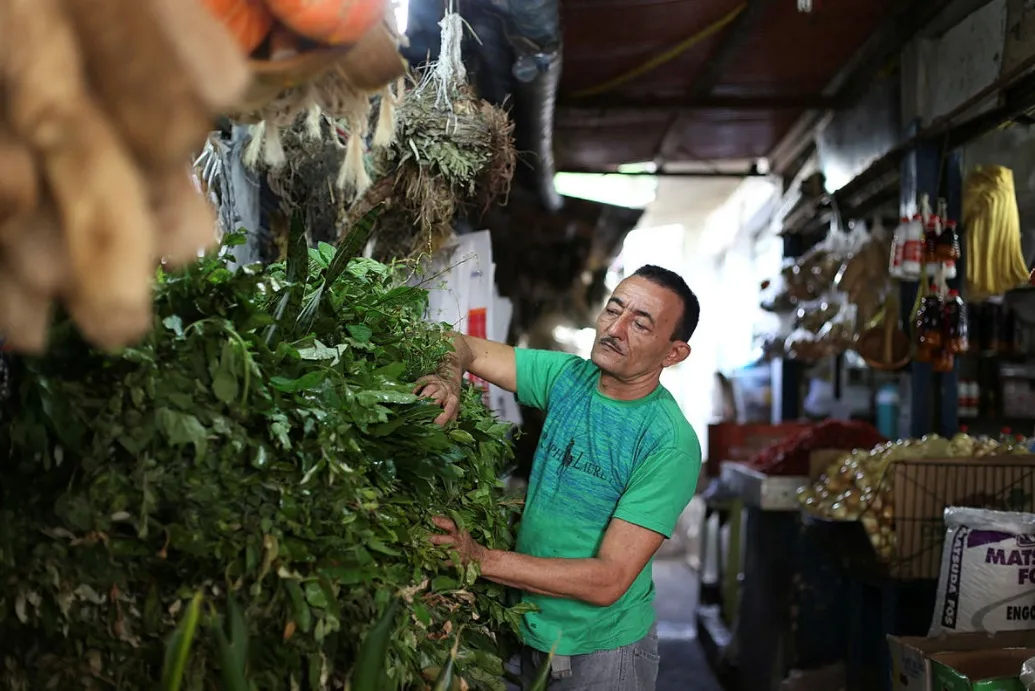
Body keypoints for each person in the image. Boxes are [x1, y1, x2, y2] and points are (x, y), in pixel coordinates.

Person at [415, 264, 703, 691]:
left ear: (673, 353)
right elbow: (457, 343)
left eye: (640, 324)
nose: (615, 329)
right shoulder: (570, 378)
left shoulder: (668, 443)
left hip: (602, 652)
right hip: (526, 630)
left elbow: (608, 580)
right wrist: (447, 379)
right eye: (613, 310)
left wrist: (481, 559)